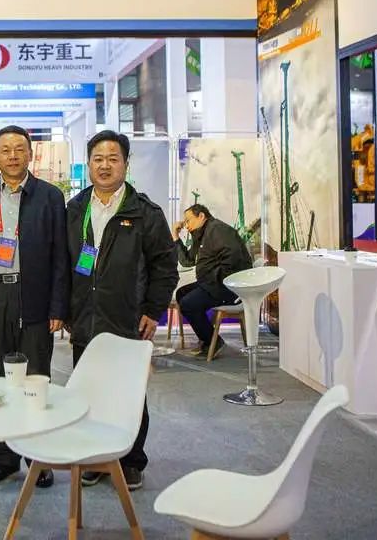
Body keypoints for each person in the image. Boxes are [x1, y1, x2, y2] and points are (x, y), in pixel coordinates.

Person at [65, 130, 178, 491]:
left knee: (128, 394)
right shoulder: (75, 209)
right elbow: (63, 265)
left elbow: (165, 267)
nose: (105, 165)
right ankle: (95, 457)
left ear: (126, 164)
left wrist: (153, 310)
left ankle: (131, 460)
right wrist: (66, 310)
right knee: (88, 391)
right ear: (88, 164)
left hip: (128, 318)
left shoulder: (145, 213)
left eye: (113, 159)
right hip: (86, 318)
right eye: (98, 158)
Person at [0, 125, 68, 489]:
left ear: (30, 153)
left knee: (35, 380)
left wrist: (57, 306)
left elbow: (61, 256)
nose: (12, 156)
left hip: (35, 297)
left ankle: (38, 457)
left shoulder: (49, 197)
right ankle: (5, 458)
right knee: (0, 380)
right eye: (5, 150)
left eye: (18, 149)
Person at [173, 204, 254, 359]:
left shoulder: (218, 230)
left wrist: (212, 279)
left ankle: (213, 342)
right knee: (181, 294)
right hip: (213, 282)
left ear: (201, 216)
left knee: (188, 304)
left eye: (188, 220)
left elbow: (234, 261)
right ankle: (208, 337)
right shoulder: (201, 234)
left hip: (229, 286)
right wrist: (176, 237)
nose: (186, 225)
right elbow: (187, 260)